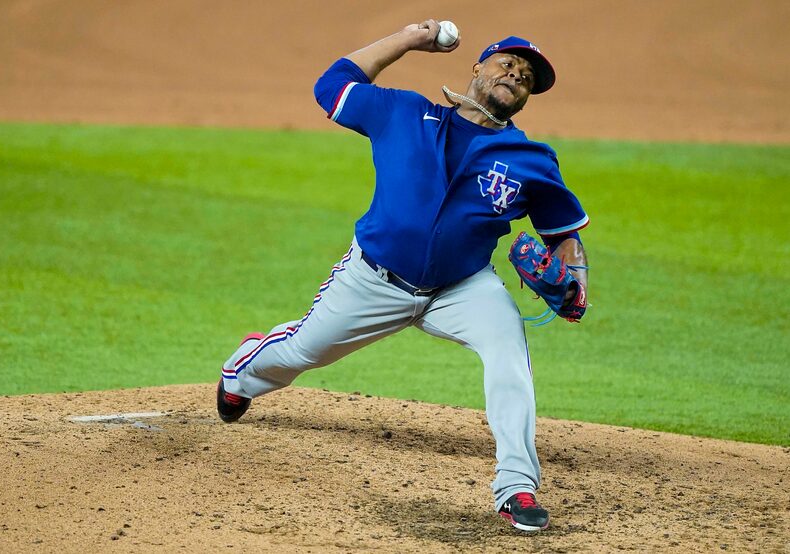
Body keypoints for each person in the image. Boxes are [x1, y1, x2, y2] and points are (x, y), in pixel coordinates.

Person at [217, 20, 589, 533]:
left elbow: (563, 232)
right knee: (303, 352)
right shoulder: (405, 112)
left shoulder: (531, 159)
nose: (515, 75)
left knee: (508, 352)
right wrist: (411, 38)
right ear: (478, 66)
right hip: (373, 279)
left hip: (463, 287)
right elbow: (332, 86)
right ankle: (242, 370)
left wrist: (574, 281)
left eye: (526, 77)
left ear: (526, 99)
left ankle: (516, 486)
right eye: (507, 62)